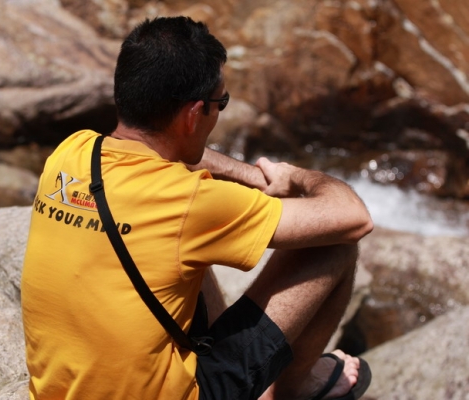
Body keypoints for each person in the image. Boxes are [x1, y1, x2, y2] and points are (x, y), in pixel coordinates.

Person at [21, 16, 374, 400]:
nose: (220, 112)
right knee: (333, 244)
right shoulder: (190, 202)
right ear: (193, 115)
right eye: (221, 103)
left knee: (180, 251)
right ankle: (292, 388)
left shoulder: (70, 153)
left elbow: (176, 157)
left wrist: (252, 177)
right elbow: (353, 218)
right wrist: (296, 177)